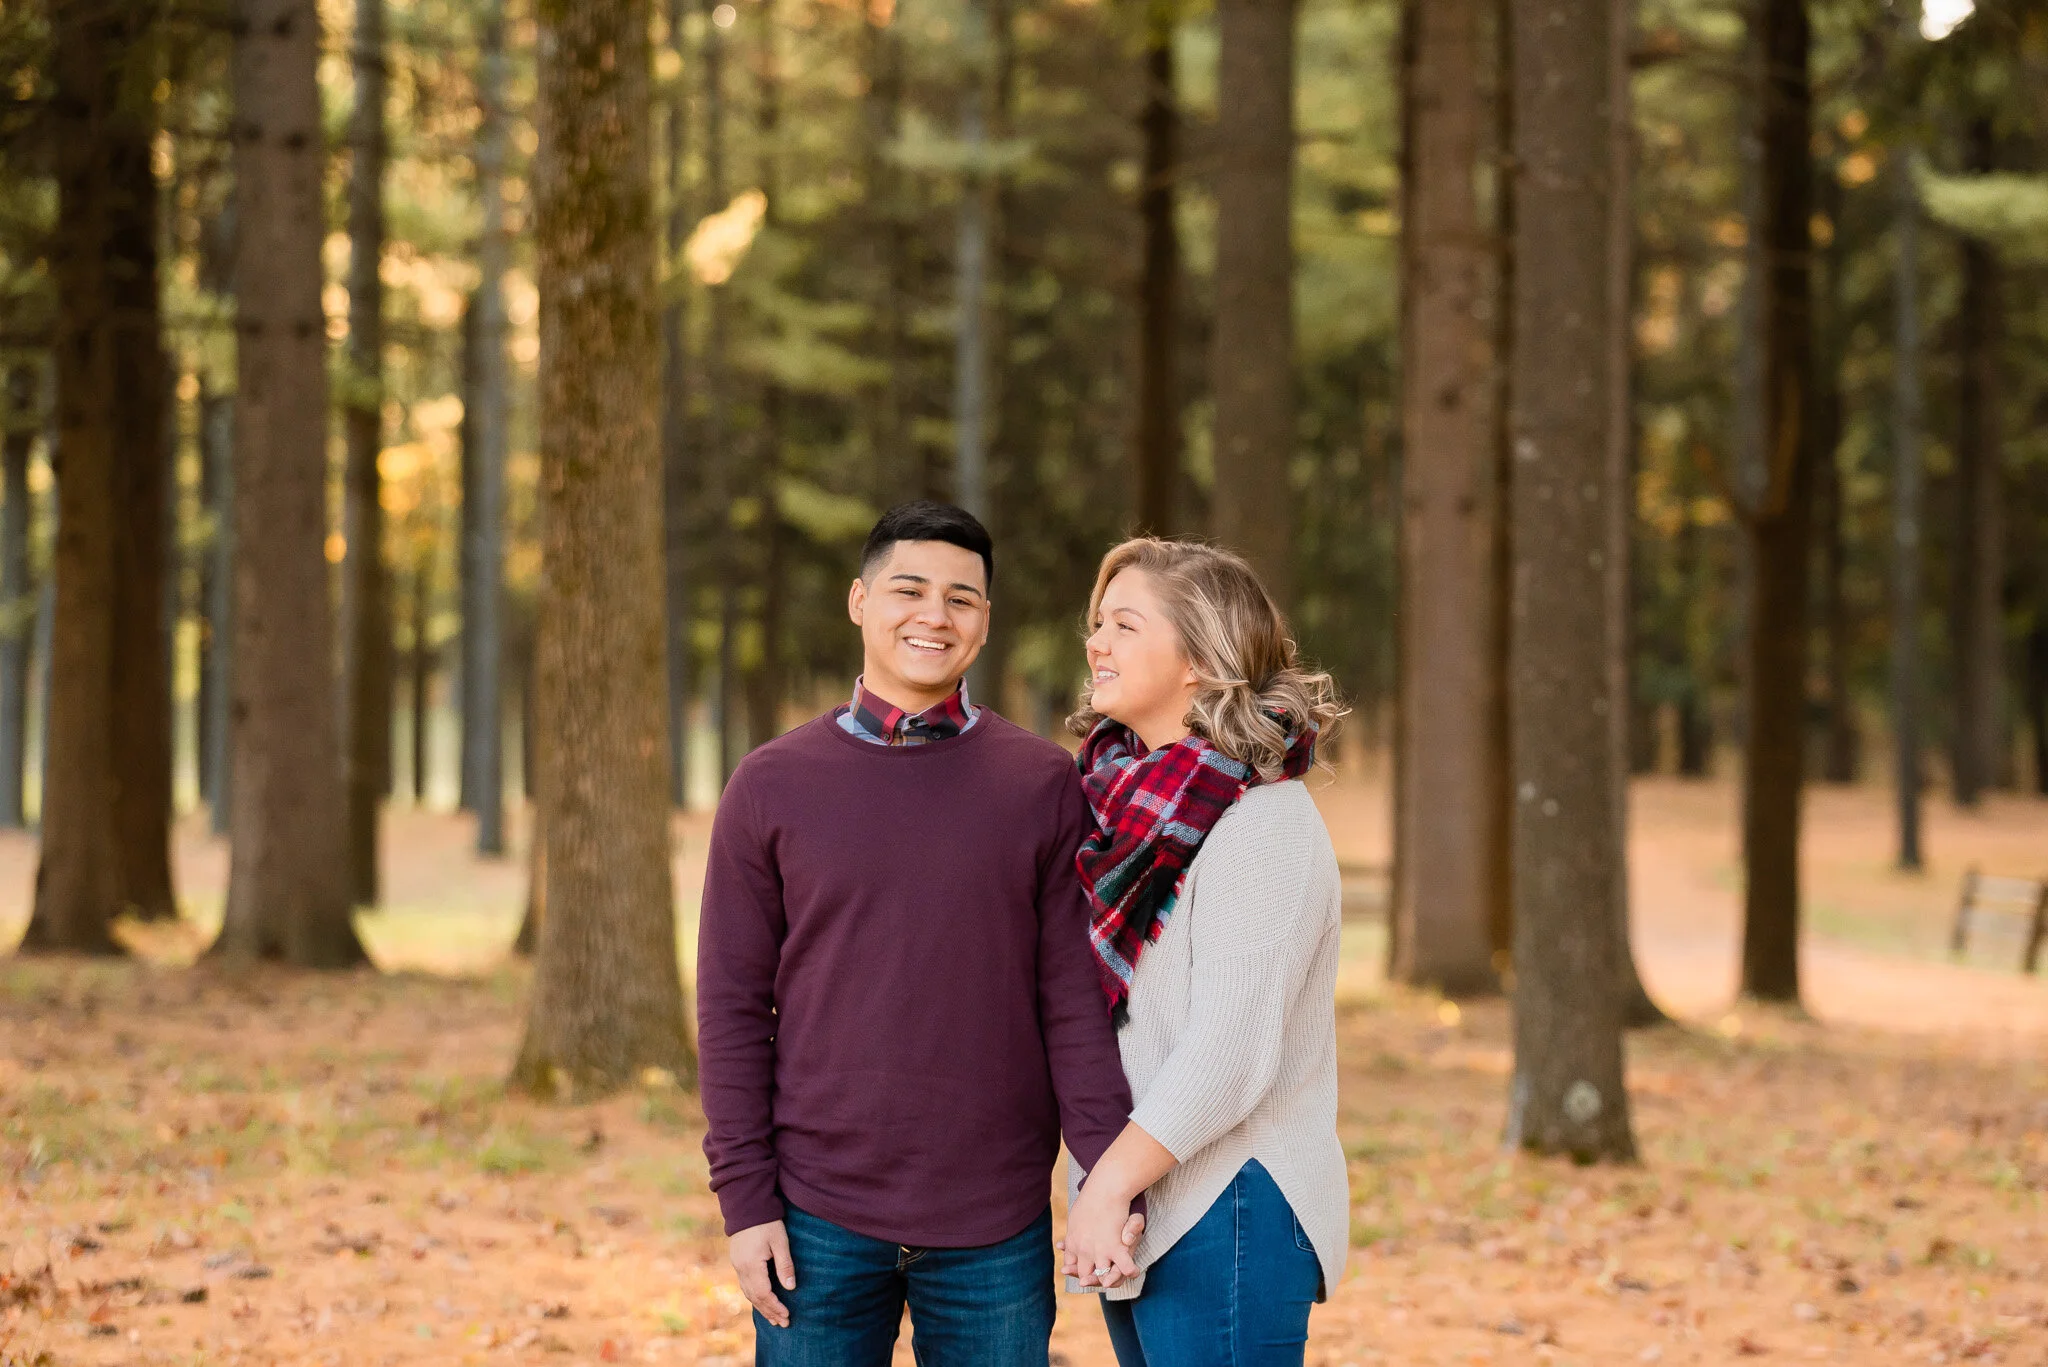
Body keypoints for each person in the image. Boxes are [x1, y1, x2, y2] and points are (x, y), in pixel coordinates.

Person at [696, 501, 1138, 1367]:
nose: (934, 615)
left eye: (962, 599)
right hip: (815, 1215)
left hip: (995, 1222)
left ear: (984, 622)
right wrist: (746, 1204)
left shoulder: (1041, 783)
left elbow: (1072, 1003)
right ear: (860, 601)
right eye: (910, 589)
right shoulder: (770, 785)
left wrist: (1104, 1178)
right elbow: (731, 1009)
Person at [1056, 538, 1350, 1366]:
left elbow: (1231, 1052)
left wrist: (1108, 1184)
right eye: (1095, 623)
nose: (1096, 643)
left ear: (1197, 658)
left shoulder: (1263, 825)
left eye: (1124, 623)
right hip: (1150, 1195)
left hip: (1234, 1205)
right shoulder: (1122, 817)